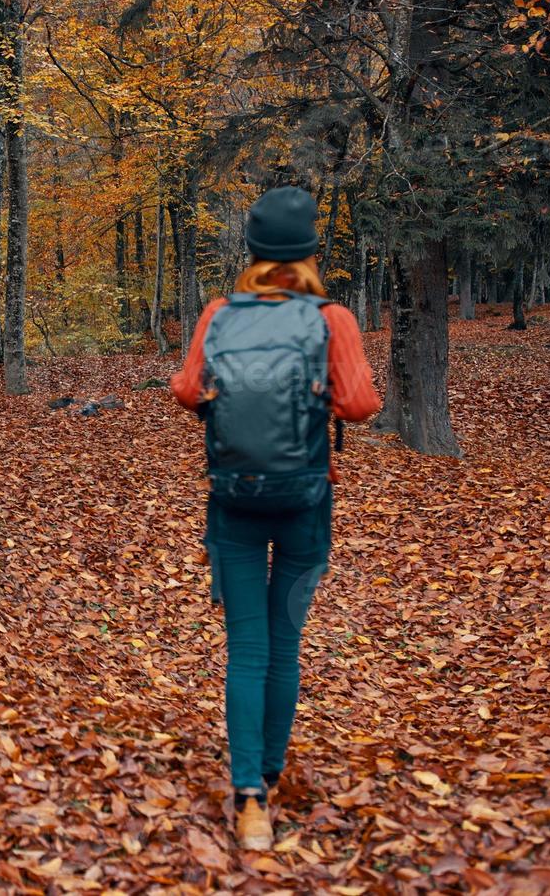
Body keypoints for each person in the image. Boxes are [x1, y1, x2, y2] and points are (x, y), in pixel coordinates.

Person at [170, 186, 381, 851]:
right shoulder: (331, 319)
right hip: (305, 504)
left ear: (253, 251)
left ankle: (250, 799)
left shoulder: (218, 313)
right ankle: (268, 772)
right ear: (310, 252)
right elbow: (361, 404)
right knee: (283, 645)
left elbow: (183, 390)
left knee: (246, 649)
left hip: (232, 501)